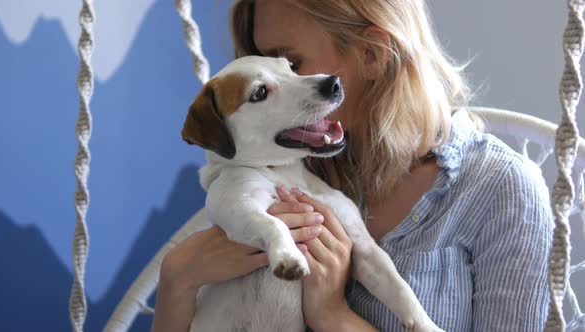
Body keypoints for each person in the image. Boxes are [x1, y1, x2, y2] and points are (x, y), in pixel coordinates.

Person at [151, 0, 553, 331]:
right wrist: (177, 278)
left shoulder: (501, 190)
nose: (281, 82)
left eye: (291, 62)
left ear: (372, 55)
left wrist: (332, 315)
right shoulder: (284, 166)